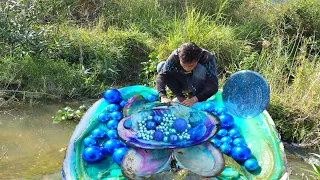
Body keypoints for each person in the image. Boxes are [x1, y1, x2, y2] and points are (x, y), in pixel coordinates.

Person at [156, 42, 218, 107]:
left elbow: (213, 87)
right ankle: (180, 98)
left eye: (191, 65)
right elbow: (161, 76)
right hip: (182, 81)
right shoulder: (175, 55)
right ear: (179, 58)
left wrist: (195, 99)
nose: (187, 68)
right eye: (184, 65)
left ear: (198, 59)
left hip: (198, 84)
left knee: (200, 69)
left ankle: (193, 96)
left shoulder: (207, 58)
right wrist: (163, 96)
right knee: (161, 66)